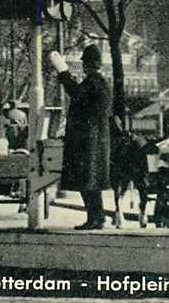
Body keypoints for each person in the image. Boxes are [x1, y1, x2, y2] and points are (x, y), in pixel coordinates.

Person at [49, 45, 112, 230]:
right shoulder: (100, 82)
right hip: (96, 138)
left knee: (88, 180)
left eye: (85, 63)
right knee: (91, 181)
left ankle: (95, 218)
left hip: (88, 140)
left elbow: (76, 94)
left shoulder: (93, 82)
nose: (84, 66)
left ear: (88, 64)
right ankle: (97, 217)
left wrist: (63, 72)